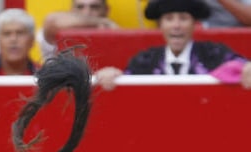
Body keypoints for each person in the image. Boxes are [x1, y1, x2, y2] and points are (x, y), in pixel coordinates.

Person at [95, 0, 251, 89]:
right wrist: (111, 75)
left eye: (183, 18)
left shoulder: (215, 54)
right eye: (169, 19)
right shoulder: (144, 61)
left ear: (195, 24)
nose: (176, 25)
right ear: (160, 25)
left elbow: (242, 67)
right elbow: (124, 81)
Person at [37, 0, 119, 61]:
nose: (87, 12)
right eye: (80, 7)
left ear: (106, 10)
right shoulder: (54, 33)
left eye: (94, 7)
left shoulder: (116, 35)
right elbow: (51, 21)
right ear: (72, 10)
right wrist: (102, 21)